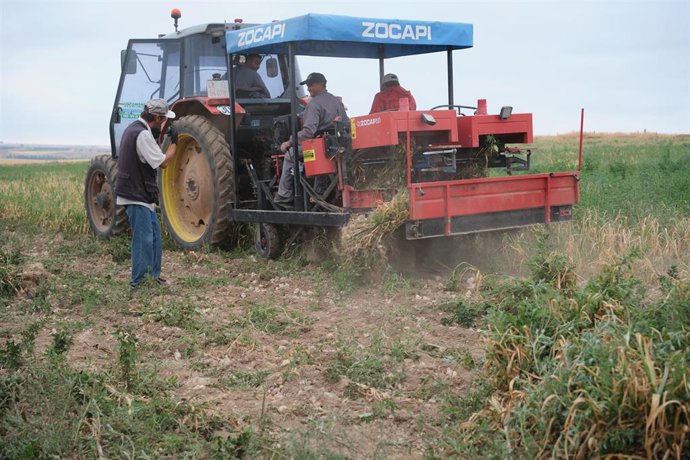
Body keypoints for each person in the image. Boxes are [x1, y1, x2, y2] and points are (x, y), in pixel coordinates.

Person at [115, 99, 178, 289]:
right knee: (143, 240)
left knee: (155, 239)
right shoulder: (142, 134)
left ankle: (152, 277)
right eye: (164, 118)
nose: (165, 122)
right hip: (136, 194)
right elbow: (163, 162)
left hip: (140, 194)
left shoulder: (135, 129)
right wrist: (174, 142)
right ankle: (138, 283)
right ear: (157, 117)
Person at [275, 72, 348, 205]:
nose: (308, 88)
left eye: (311, 85)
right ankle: (320, 188)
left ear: (321, 84)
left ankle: (284, 194)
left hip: (320, 146)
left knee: (290, 154)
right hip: (336, 145)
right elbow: (346, 123)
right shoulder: (336, 102)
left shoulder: (313, 105)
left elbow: (308, 132)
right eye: (307, 85)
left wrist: (289, 141)